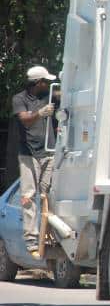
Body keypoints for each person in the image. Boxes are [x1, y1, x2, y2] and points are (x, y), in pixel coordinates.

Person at [11, 66, 57, 258]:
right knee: (29, 196)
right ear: (37, 83)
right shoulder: (19, 99)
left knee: (49, 193)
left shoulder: (49, 95)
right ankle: (31, 240)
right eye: (45, 81)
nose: (47, 84)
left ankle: (50, 234)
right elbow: (25, 120)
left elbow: (66, 92)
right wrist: (41, 112)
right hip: (29, 155)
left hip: (49, 153)